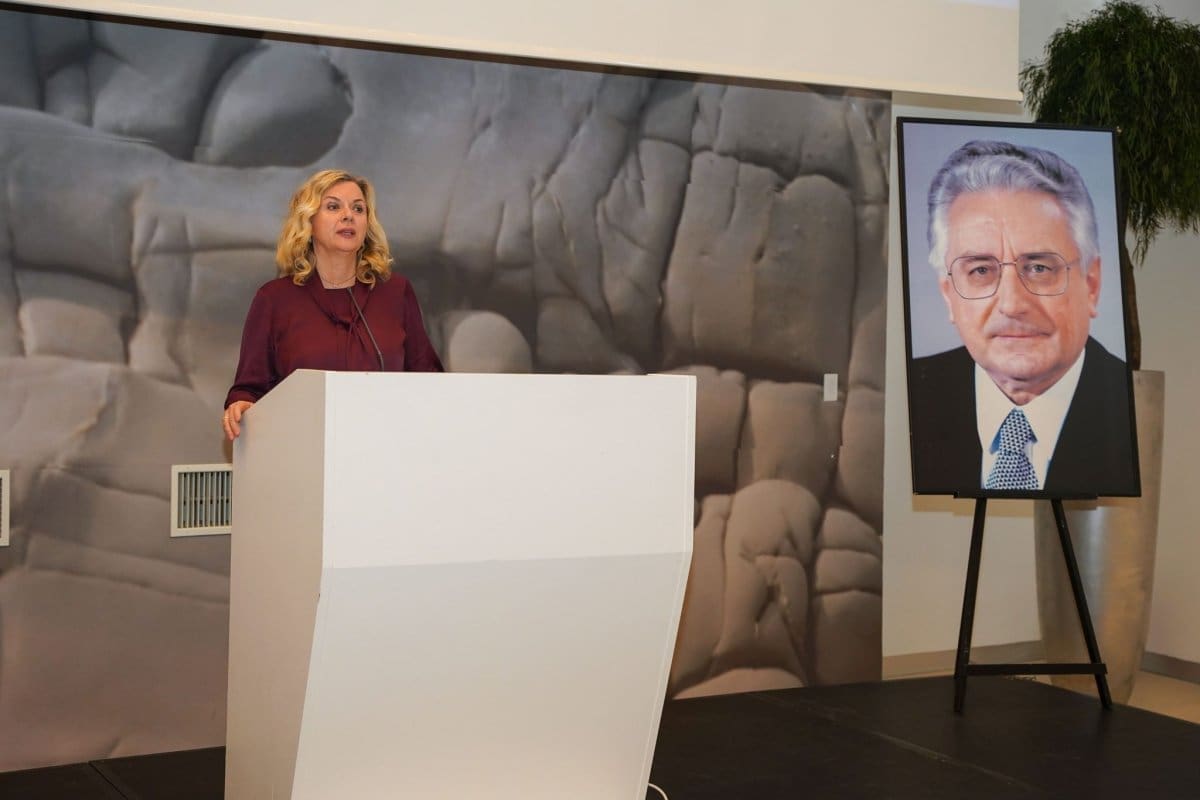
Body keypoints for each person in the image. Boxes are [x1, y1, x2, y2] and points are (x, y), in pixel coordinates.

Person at [908, 140, 1137, 496]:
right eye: (981, 270)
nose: (1012, 304)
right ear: (948, 295)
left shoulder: (1129, 408)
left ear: (1091, 284)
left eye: (1039, 268)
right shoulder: (915, 398)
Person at [223, 169, 443, 440]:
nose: (348, 215)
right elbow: (249, 389)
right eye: (333, 206)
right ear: (309, 221)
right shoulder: (275, 299)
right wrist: (242, 406)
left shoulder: (395, 292)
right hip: (303, 448)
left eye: (358, 208)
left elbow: (429, 378)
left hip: (387, 446)